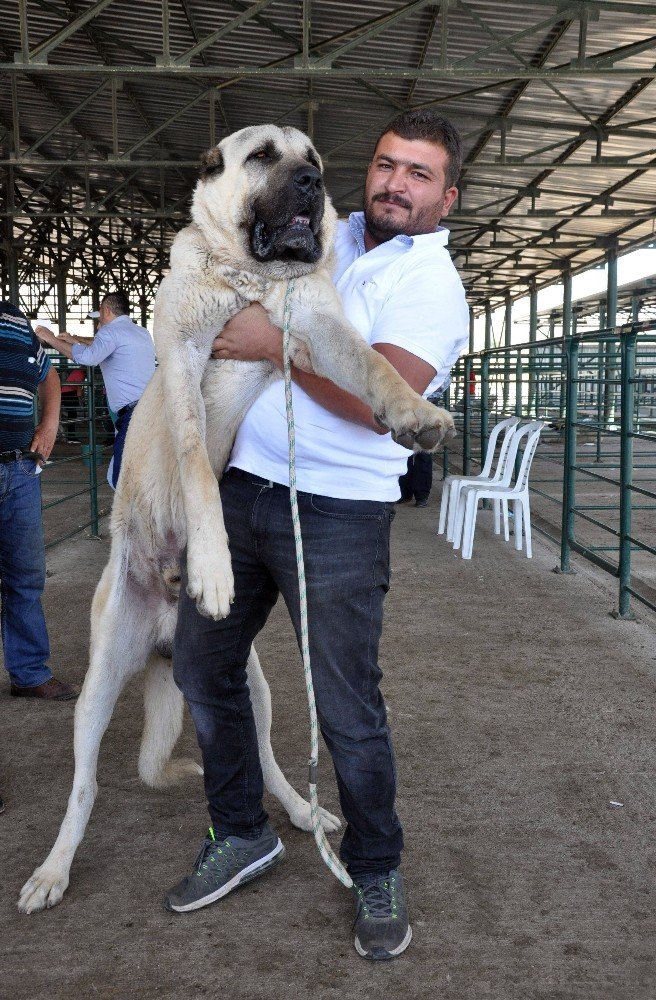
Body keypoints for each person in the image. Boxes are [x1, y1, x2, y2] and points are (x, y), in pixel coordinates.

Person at [167, 111, 469, 961]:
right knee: (201, 665)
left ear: (448, 196)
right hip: (241, 491)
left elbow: (386, 406)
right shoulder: (321, 237)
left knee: (346, 706)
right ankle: (241, 830)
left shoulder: (432, 286)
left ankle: (376, 865)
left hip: (335, 513)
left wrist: (276, 342)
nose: (394, 183)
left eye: (418, 174)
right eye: (384, 165)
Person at [0, 300, 79, 700]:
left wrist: (49, 425)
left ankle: (29, 674)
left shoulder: (14, 317)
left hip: (19, 470)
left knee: (25, 577)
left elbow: (46, 373)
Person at [35, 291, 155, 488]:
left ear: (107, 310)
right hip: (151, 409)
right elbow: (103, 345)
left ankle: (133, 516)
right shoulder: (141, 332)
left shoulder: (110, 332)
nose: (99, 324)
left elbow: (88, 357)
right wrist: (76, 339)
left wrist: (51, 339)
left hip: (134, 416)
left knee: (121, 477)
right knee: (136, 470)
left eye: (99, 316)